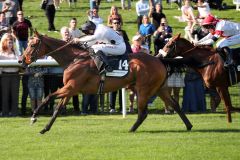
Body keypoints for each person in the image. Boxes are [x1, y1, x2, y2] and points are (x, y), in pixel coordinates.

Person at [0, 33, 20, 117]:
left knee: (15, 95)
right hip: (4, 76)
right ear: (4, 42)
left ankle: (14, 113)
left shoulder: (16, 52)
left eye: (11, 42)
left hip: (15, 75)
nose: (10, 43)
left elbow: (20, 63)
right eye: (9, 41)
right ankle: (5, 113)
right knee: (5, 95)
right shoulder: (1, 53)